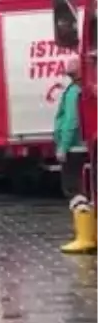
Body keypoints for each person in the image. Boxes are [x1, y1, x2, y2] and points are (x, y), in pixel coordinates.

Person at [56, 55, 95, 254]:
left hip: (74, 148)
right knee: (85, 189)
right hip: (83, 147)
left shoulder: (74, 92)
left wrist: (63, 146)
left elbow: (71, 121)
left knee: (74, 190)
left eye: (72, 63)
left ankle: (84, 237)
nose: (67, 65)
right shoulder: (82, 89)